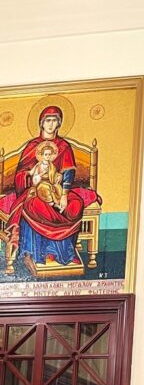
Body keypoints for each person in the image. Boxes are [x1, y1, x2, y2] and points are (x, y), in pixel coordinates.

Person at [0, 105, 101, 272]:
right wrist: (32, 177)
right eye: (48, 120)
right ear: (41, 122)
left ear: (59, 123)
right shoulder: (32, 146)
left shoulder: (64, 146)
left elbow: (68, 172)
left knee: (75, 204)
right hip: (35, 190)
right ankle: (39, 252)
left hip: (58, 189)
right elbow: (21, 173)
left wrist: (64, 195)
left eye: (55, 120)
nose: (51, 124)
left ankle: (66, 252)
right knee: (37, 205)